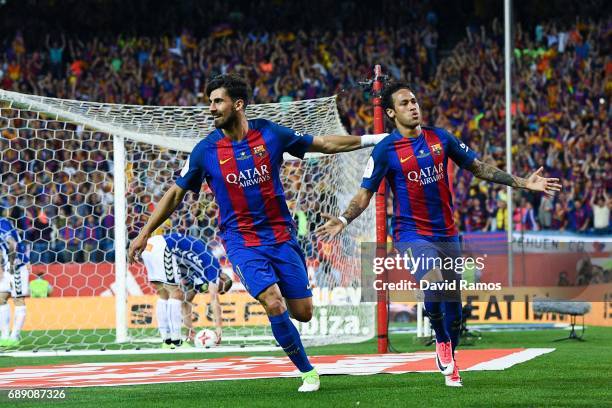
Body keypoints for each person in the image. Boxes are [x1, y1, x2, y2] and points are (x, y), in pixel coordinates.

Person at [128, 73, 386, 392]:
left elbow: (321, 143)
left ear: (238, 104)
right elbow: (175, 194)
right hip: (241, 242)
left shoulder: (269, 133)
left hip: (281, 236)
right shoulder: (205, 151)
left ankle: (293, 340)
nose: (211, 108)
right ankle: (308, 372)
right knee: (272, 300)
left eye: (217, 101)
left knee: (302, 313)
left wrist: (373, 140)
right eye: (209, 102)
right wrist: (144, 233)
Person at [316, 81, 561, 387]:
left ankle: (450, 354)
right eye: (404, 103)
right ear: (391, 112)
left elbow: (479, 168)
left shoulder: (441, 138)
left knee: (456, 311)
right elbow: (365, 193)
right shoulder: (385, 151)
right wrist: (343, 218)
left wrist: (524, 183)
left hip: (447, 233)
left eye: (414, 101)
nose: (413, 106)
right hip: (411, 233)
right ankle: (441, 339)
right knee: (432, 283)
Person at [141, 232, 231, 349]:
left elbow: (187, 301)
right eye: (217, 286)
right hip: (164, 247)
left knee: (164, 294)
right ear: (223, 278)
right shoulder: (213, 266)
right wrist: (219, 329)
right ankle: (176, 341)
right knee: (176, 294)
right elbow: (214, 300)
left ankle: (167, 342)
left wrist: (189, 329)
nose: (211, 289)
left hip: (151, 247)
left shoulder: (198, 272)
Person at [0, 217, 30, 348]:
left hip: (17, 264)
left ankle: (15, 335)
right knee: (1, 298)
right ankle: (5, 335)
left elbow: (12, 243)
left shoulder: (2, 223)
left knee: (18, 299)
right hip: (7, 265)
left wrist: (12, 264)